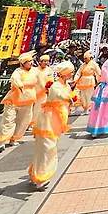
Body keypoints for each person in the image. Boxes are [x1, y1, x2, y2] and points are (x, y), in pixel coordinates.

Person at [28, 61, 75, 190]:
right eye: (70, 72)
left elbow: (68, 96)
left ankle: (36, 173)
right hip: (48, 120)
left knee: (46, 147)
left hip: (57, 121)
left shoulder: (65, 85)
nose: (72, 74)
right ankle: (41, 177)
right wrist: (69, 98)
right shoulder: (56, 86)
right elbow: (59, 95)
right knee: (47, 148)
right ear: (64, 74)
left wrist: (71, 100)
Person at [0, 51, 38, 153]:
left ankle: (13, 139)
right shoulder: (18, 72)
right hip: (14, 101)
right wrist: (20, 85)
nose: (31, 63)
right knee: (8, 120)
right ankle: (2, 142)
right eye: (28, 61)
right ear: (23, 63)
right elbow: (15, 80)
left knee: (23, 122)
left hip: (28, 101)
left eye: (31, 61)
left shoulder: (34, 71)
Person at [72, 51, 101, 115]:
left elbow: (99, 72)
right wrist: (75, 80)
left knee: (89, 96)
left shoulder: (94, 64)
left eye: (86, 58)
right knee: (83, 96)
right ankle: (85, 108)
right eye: (84, 58)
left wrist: (100, 79)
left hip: (90, 81)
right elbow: (78, 73)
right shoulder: (83, 65)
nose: (85, 60)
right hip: (82, 82)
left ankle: (87, 109)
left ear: (90, 58)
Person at [33, 55, 54, 125]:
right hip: (37, 92)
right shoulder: (35, 70)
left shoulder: (49, 70)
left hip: (46, 92)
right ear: (40, 62)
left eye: (47, 61)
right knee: (37, 108)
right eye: (44, 61)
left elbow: (51, 80)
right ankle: (33, 123)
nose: (46, 63)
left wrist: (49, 87)